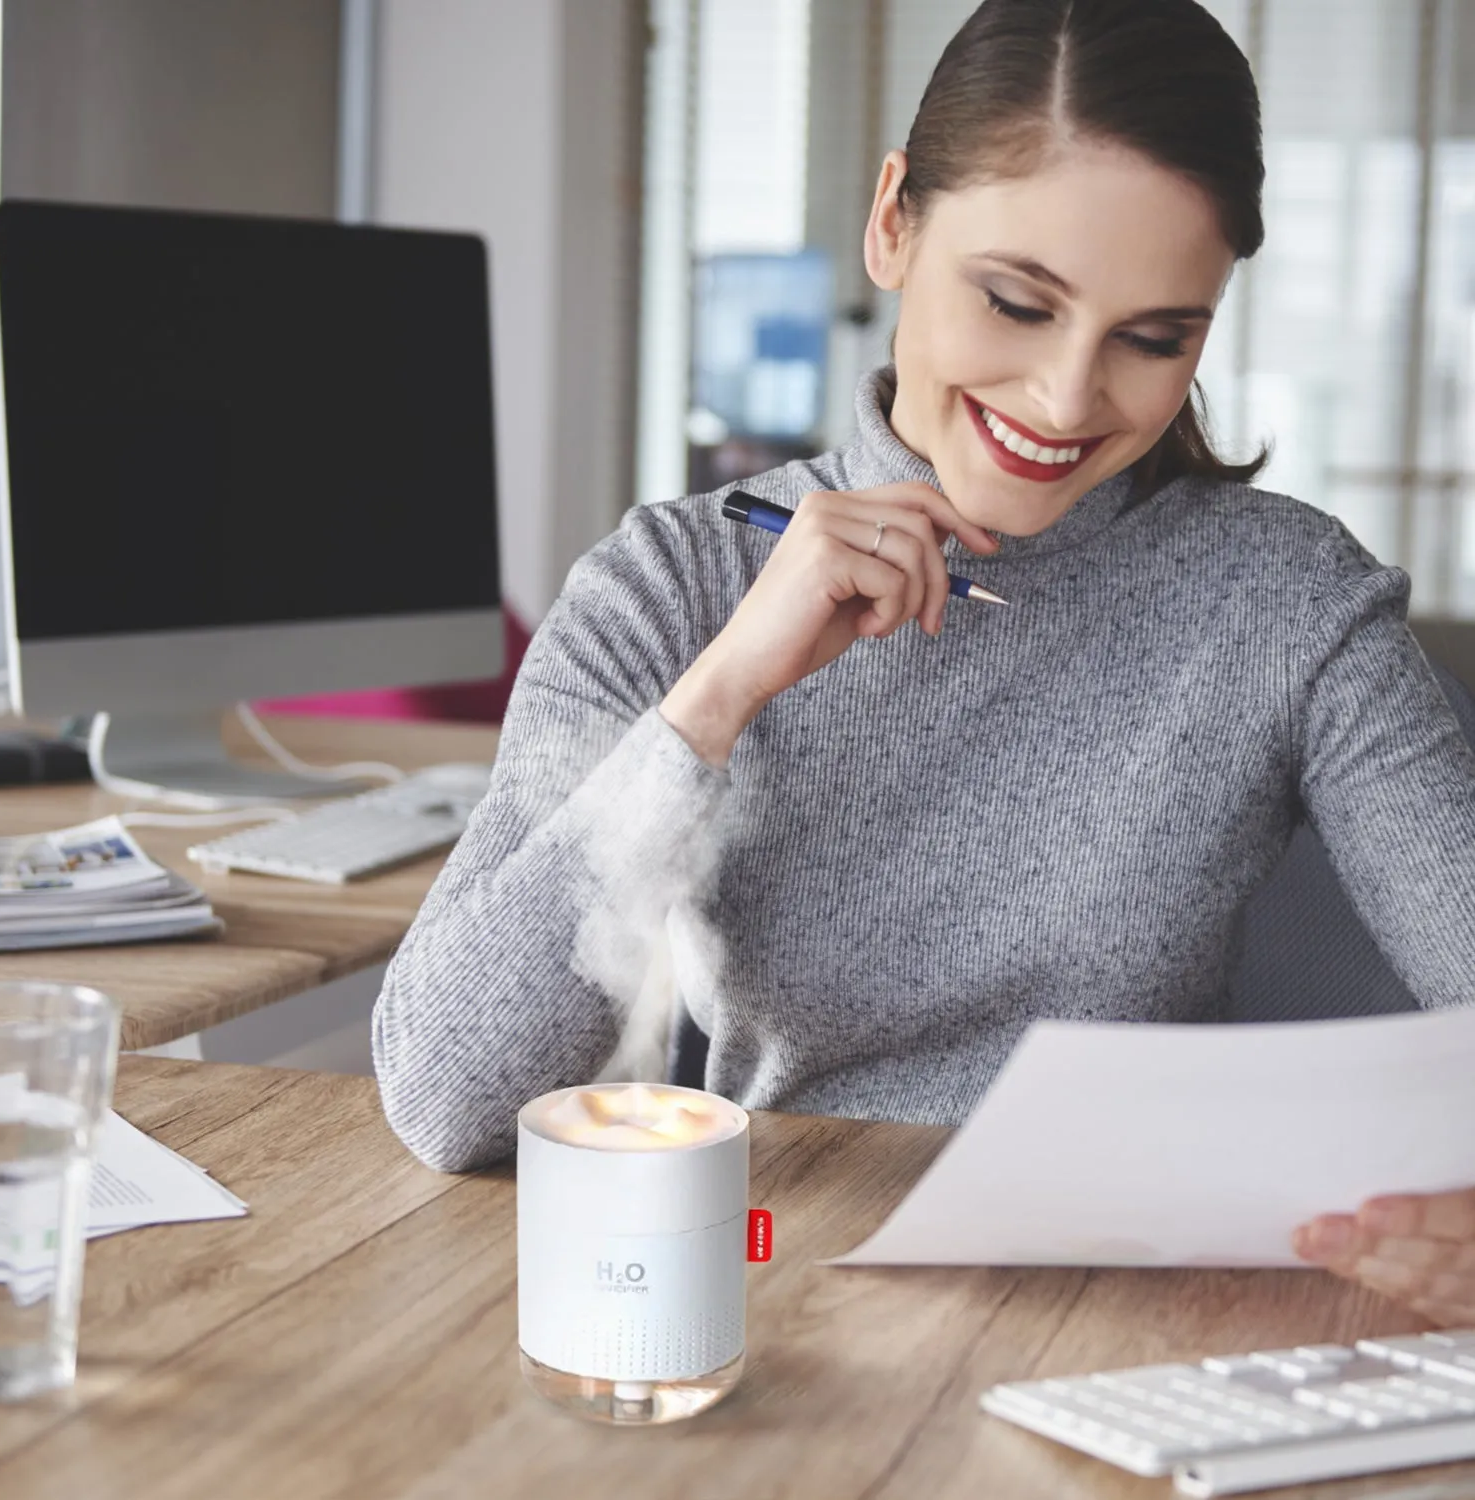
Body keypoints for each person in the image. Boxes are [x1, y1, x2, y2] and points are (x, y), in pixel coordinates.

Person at [373, 0, 1475, 1328]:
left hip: (1116, 1313)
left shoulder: (1286, 602)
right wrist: (719, 699)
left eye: (1153, 337)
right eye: (1017, 303)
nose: (1069, 402)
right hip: (772, 1289)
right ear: (894, 220)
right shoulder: (673, 583)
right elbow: (444, 1095)